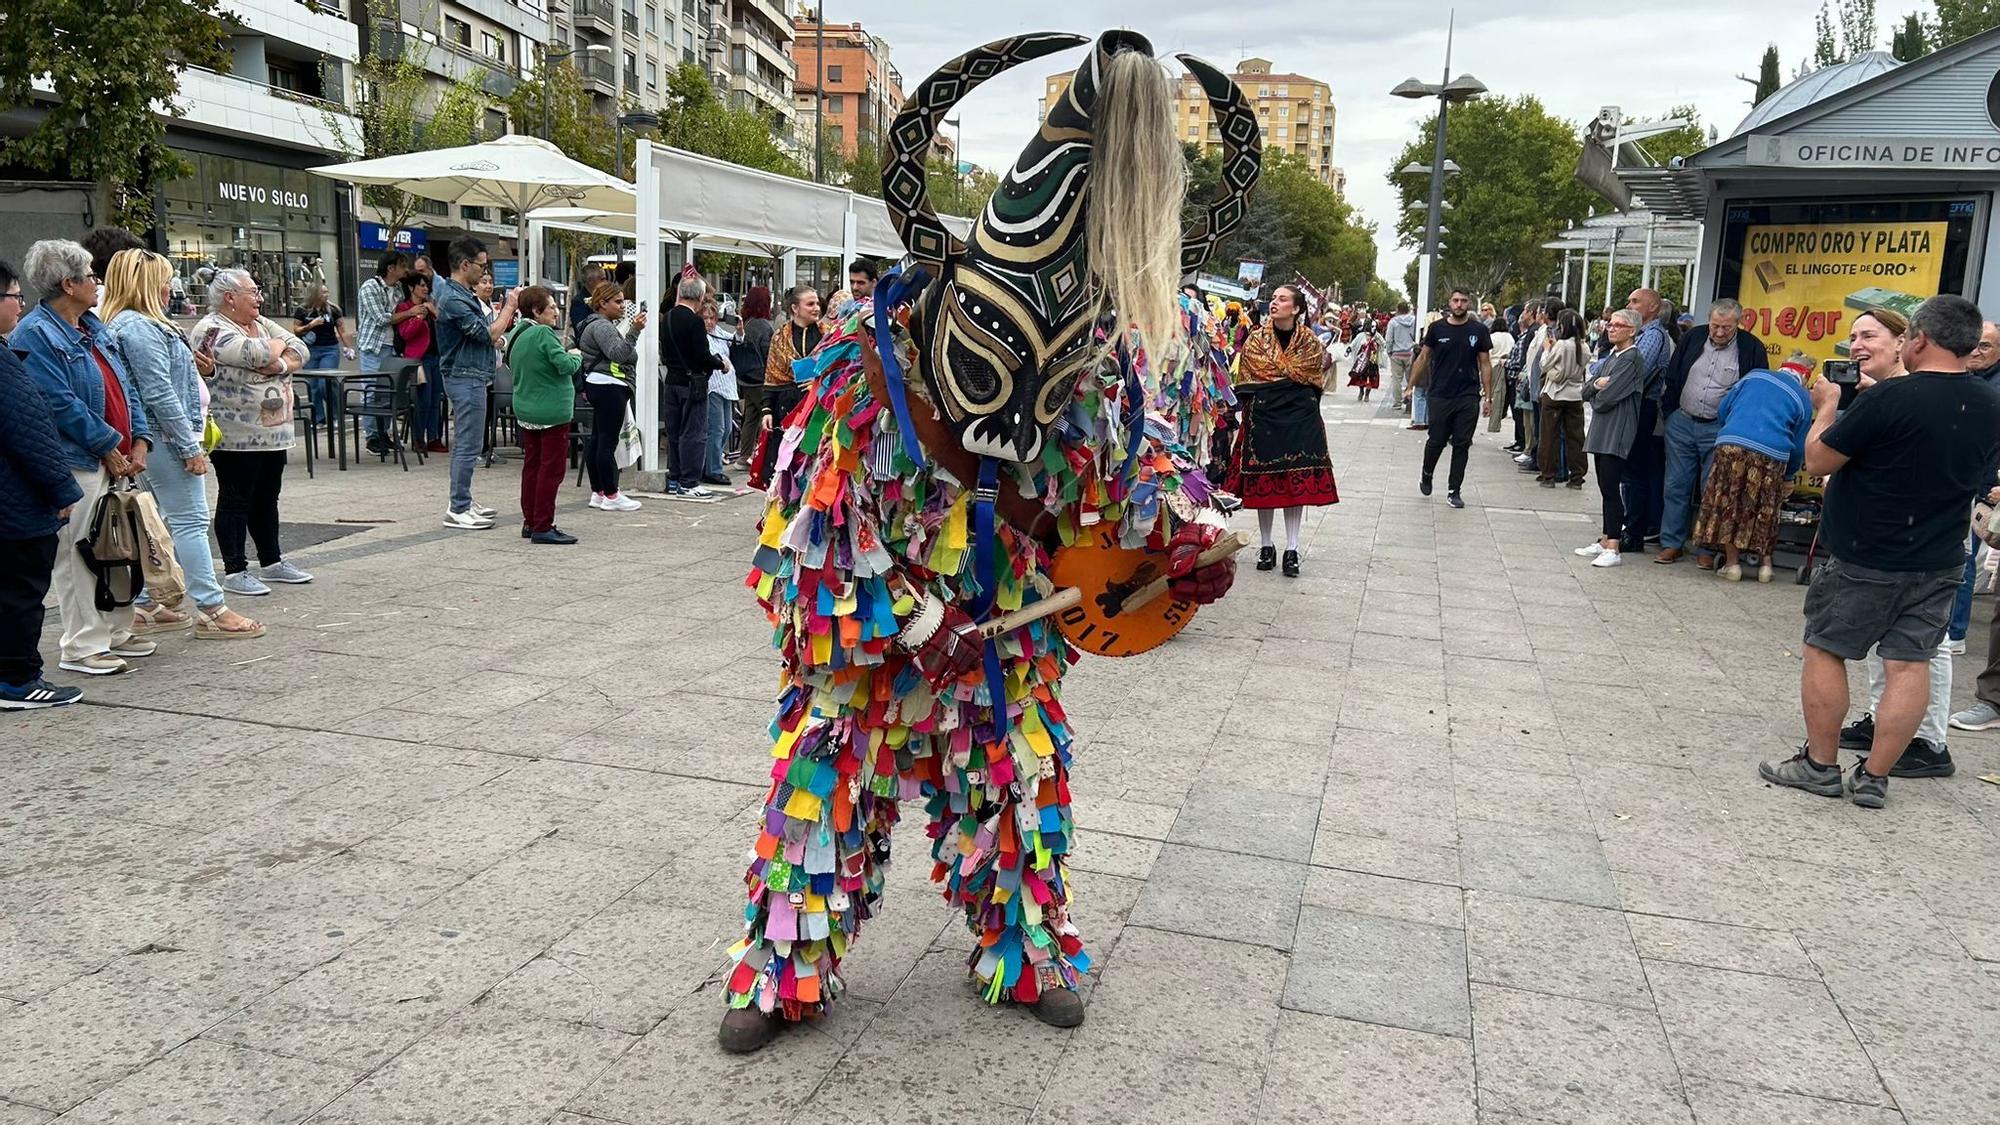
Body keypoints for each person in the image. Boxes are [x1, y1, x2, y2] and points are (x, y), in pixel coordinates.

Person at [716, 29, 1251, 1054]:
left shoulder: (1087, 377)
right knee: (820, 792)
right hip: (871, 654)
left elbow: (1132, 471)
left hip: (1006, 638)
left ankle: (1025, 947)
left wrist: (1188, 540)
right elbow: (806, 540)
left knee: (1016, 785)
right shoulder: (861, 376)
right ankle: (783, 969)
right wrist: (913, 624)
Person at [1760, 295, 2000, 808]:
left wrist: (1827, 408)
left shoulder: (1891, 399)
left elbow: (1820, 460)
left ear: (1918, 340)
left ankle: (1820, 765)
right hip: (1939, 558)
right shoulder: (1988, 402)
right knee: (1909, 665)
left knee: (1826, 649)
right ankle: (1874, 777)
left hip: (1866, 554)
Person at [100, 250, 264, 639]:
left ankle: (143, 603)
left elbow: (160, 383)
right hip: (166, 437)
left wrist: (194, 370)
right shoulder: (139, 326)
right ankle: (211, 607)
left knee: (149, 519)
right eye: (164, 278)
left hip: (157, 436)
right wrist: (189, 447)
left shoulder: (136, 323)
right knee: (188, 521)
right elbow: (157, 390)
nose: (169, 286)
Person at [14, 239, 156, 676]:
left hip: (113, 454)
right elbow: (58, 402)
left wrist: (139, 440)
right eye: (91, 275)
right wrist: (110, 445)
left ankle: (115, 629)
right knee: (80, 554)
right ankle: (82, 644)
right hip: (78, 457)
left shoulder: (93, 326)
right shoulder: (36, 334)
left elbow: (124, 385)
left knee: (118, 547)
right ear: (68, 283)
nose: (98, 283)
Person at [191, 268, 312, 598]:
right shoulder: (211, 329)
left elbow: (300, 348)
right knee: (236, 498)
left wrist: (280, 365)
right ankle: (234, 569)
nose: (259, 298)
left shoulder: (259, 324)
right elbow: (256, 354)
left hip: (274, 431)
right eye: (253, 292)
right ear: (230, 297)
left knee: (267, 497)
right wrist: (273, 348)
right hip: (236, 434)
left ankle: (272, 561)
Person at [0, 257, 87, 707]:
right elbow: (29, 431)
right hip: (15, 505)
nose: (19, 306)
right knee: (21, 592)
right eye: (14, 296)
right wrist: (62, 489)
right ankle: (17, 679)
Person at [1229, 283, 1337, 577]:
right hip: (1264, 416)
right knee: (1266, 481)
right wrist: (1285, 385)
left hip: (1301, 417)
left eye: (1282, 299)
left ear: (1297, 308)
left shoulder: (1311, 342)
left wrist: (1285, 386)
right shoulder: (1255, 340)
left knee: (1295, 483)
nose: (1274, 303)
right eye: (1274, 298)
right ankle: (1266, 545)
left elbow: (1313, 377)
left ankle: (1292, 548)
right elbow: (1249, 375)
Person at [1656, 300, 1768, 567]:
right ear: (1709, 320)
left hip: (1720, 428)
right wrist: (1670, 412)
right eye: (1715, 326)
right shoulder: (1694, 337)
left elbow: (1756, 389)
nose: (1719, 332)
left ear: (1738, 324)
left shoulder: (1751, 348)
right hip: (1682, 421)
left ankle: (1705, 546)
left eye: (1726, 328)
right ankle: (1672, 543)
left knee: (1713, 490)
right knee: (1675, 485)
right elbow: (1673, 376)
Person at [1692, 354, 1814, 583]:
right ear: (1805, 376)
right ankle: (1765, 567)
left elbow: (1723, 409)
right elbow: (1798, 446)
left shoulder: (1754, 376)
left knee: (1731, 503)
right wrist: (1789, 476)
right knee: (1765, 507)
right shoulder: (1803, 398)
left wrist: (1736, 426)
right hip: (1772, 454)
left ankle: (1732, 564)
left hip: (1732, 445)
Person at [435, 237, 518, 529]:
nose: (484, 273)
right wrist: (509, 307)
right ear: (465, 264)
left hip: (472, 375)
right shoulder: (454, 298)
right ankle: (458, 507)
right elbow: (487, 334)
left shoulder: (461, 293)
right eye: (481, 266)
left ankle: (464, 499)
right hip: (464, 377)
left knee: (469, 443)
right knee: (468, 445)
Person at [504, 286, 583, 545]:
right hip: (551, 411)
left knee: (532, 468)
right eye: (551, 308)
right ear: (537, 311)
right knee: (551, 470)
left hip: (526, 408)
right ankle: (543, 525)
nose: (556, 313)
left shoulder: (517, 332)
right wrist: (576, 355)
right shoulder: (543, 333)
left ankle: (531, 521)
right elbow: (564, 365)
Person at [1410, 287, 1493, 509]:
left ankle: (1454, 489)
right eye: (1455, 300)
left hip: (1467, 395)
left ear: (1469, 304)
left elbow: (1485, 363)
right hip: (1440, 394)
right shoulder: (1437, 329)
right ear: (1450, 302)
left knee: (1461, 444)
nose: (1459, 304)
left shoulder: (1479, 330)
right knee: (1436, 440)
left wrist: (1488, 397)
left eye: (1463, 301)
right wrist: (1410, 385)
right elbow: (1424, 358)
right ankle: (1427, 473)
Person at [1575, 309, 1646, 568]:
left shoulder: (1631, 358)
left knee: (1611, 486)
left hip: (1617, 429)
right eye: (1610, 324)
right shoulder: (1611, 356)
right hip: (1603, 429)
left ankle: (1614, 545)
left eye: (1619, 325)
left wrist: (1599, 389)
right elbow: (1587, 389)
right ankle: (1606, 539)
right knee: (1605, 486)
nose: (1611, 328)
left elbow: (1606, 400)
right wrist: (1597, 385)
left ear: (1632, 330)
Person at [575, 282, 646, 513]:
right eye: (617, 301)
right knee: (607, 442)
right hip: (610, 386)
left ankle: (599, 492)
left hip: (599, 385)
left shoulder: (592, 324)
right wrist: (635, 331)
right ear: (602, 304)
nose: (622, 306)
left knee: (597, 439)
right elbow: (619, 353)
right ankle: (612, 494)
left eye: (623, 301)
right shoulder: (602, 327)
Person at [658, 273, 728, 497]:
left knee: (675, 431)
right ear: (699, 296)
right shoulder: (694, 321)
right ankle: (690, 482)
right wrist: (720, 363)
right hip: (693, 383)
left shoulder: (667, 317)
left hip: (671, 380)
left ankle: (675, 478)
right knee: (694, 433)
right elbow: (702, 355)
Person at [355, 252, 420, 454]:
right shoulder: (370, 287)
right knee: (372, 391)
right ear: (391, 268)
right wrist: (409, 313)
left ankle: (384, 434)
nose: (405, 270)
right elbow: (381, 318)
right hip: (373, 348)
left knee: (387, 392)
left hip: (392, 347)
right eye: (402, 266)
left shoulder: (399, 289)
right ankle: (372, 437)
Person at [1622, 288, 1672, 548]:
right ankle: (1628, 526)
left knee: (1634, 471)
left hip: (1643, 406)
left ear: (1652, 307)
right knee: (1627, 470)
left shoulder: (1653, 336)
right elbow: (1606, 366)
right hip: (1633, 405)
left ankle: (1634, 532)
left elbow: (1631, 370)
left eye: (1635, 301)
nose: (1629, 305)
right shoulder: (1639, 335)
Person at [1537, 308, 1590, 489]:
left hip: (1555, 393)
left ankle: (1548, 475)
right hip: (1575, 395)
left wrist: (1547, 349)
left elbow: (1545, 365)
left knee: (1549, 437)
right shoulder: (1584, 346)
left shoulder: (1561, 345)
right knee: (1576, 438)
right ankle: (1577, 476)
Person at [762, 285, 822, 439]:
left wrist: (818, 381)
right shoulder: (779, 337)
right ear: (795, 308)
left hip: (818, 407)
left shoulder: (828, 334)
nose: (816, 308)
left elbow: (838, 370)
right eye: (810, 304)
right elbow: (772, 376)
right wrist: (767, 410)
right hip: (786, 406)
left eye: (817, 303)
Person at [292, 283, 351, 427]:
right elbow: (296, 330)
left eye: (327, 291)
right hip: (311, 350)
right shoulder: (302, 310)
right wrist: (311, 325)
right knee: (313, 386)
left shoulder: (333, 310)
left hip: (329, 349)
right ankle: (318, 418)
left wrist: (349, 347)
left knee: (325, 383)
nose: (326, 295)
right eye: (323, 292)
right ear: (314, 294)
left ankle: (336, 415)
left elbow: (342, 329)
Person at [731, 286, 774, 464]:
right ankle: (764, 457)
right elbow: (768, 353)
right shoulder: (764, 326)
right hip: (760, 378)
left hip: (745, 378)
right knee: (767, 416)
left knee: (750, 417)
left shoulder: (746, 324)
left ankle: (744, 455)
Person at [702, 302, 738, 486]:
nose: (709, 322)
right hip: (713, 385)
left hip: (727, 386)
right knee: (717, 428)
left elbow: (734, 340)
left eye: (712, 318)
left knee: (727, 428)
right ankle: (713, 468)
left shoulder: (719, 333)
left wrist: (739, 330)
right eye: (705, 318)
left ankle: (712, 462)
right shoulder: (702, 336)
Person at [1385, 301, 1417, 417]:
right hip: (1410, 353)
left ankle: (1397, 402)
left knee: (1396, 379)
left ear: (1398, 309)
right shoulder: (1414, 321)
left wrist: (1389, 351)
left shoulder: (1393, 322)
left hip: (1397, 353)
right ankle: (1410, 400)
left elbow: (1389, 339)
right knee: (1411, 379)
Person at [1485, 315, 1515, 436]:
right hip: (1507, 366)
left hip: (1495, 365)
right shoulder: (1510, 337)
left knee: (1495, 395)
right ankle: (1501, 416)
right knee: (1504, 395)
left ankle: (1494, 421)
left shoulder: (1492, 337)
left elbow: (1488, 353)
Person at [1344, 316, 1379, 401]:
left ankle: (1367, 394)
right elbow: (1353, 343)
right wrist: (1348, 350)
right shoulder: (1360, 335)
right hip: (1361, 360)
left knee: (1371, 377)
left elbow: (1384, 343)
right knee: (1361, 377)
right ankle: (1361, 391)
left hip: (1372, 360)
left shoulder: (1377, 336)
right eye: (1372, 326)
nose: (1374, 328)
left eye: (1375, 326)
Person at [568, 264, 604, 337]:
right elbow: (580, 328)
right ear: (590, 281)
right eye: (602, 279)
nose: (605, 282)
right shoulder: (579, 301)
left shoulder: (601, 296)